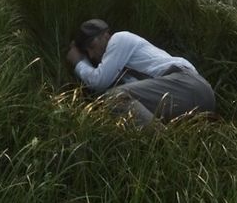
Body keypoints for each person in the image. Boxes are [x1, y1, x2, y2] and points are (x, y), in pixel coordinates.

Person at [65, 19, 215, 127]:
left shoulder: (120, 39)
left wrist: (79, 62)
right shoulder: (121, 73)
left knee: (114, 97)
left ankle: (161, 144)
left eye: (92, 46)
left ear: (105, 35)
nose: (91, 55)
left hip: (188, 84)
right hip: (191, 98)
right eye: (87, 52)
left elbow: (98, 82)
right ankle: (168, 138)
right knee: (118, 101)